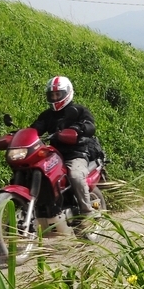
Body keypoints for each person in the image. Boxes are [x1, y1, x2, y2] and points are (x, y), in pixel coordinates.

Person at [30, 76, 97, 219]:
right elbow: (36, 128)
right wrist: (21, 134)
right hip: (54, 155)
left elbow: (90, 126)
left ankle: (87, 214)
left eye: (57, 94)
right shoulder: (47, 115)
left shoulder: (78, 110)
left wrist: (78, 128)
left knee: (75, 176)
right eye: (52, 95)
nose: (54, 98)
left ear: (67, 93)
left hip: (75, 154)